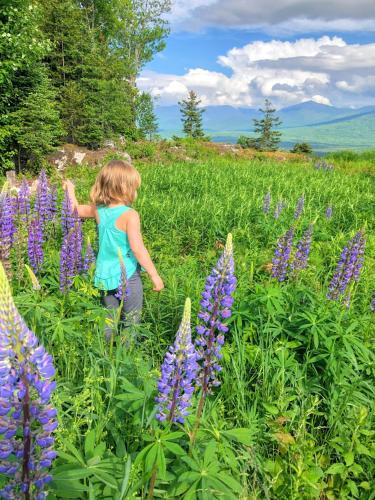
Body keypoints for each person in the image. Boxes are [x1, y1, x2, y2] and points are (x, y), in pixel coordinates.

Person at [63, 159, 164, 337]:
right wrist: (154, 275)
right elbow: (138, 249)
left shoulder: (98, 210)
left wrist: (70, 189)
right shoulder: (130, 215)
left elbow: (74, 209)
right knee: (131, 321)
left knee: (108, 319)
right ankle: (125, 357)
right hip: (128, 276)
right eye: (133, 186)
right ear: (123, 187)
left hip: (104, 275)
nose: (135, 190)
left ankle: (106, 355)